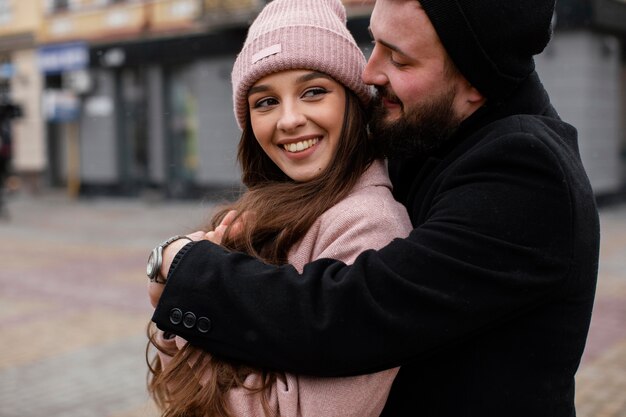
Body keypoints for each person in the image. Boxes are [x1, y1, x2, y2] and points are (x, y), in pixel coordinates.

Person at [149, 0, 601, 415]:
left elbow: (351, 313)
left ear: (472, 81)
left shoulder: (525, 172)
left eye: (399, 58)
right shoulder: (428, 130)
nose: (368, 72)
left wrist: (187, 267)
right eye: (374, 44)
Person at [146, 0, 412, 416]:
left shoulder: (369, 225)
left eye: (313, 92)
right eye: (265, 102)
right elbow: (173, 384)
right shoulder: (260, 213)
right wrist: (177, 277)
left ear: (353, 102)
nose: (288, 120)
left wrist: (184, 286)